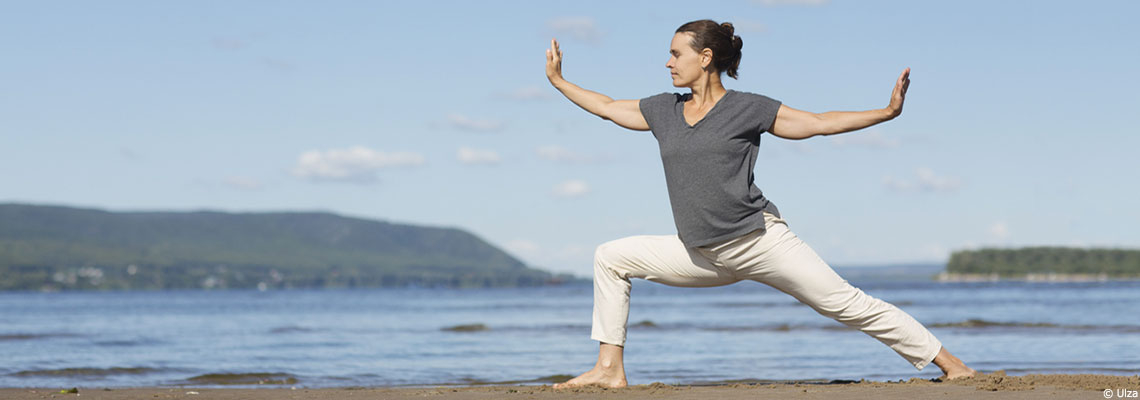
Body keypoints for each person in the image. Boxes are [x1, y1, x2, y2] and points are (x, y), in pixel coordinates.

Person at [544, 19, 977, 389]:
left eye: (676, 54)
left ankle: (954, 367)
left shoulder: (747, 108)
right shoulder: (663, 111)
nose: (668, 62)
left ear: (706, 57)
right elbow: (605, 106)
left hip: (760, 241)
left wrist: (884, 113)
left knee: (848, 303)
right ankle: (609, 369)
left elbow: (817, 123)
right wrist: (560, 82)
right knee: (611, 257)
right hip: (700, 252)